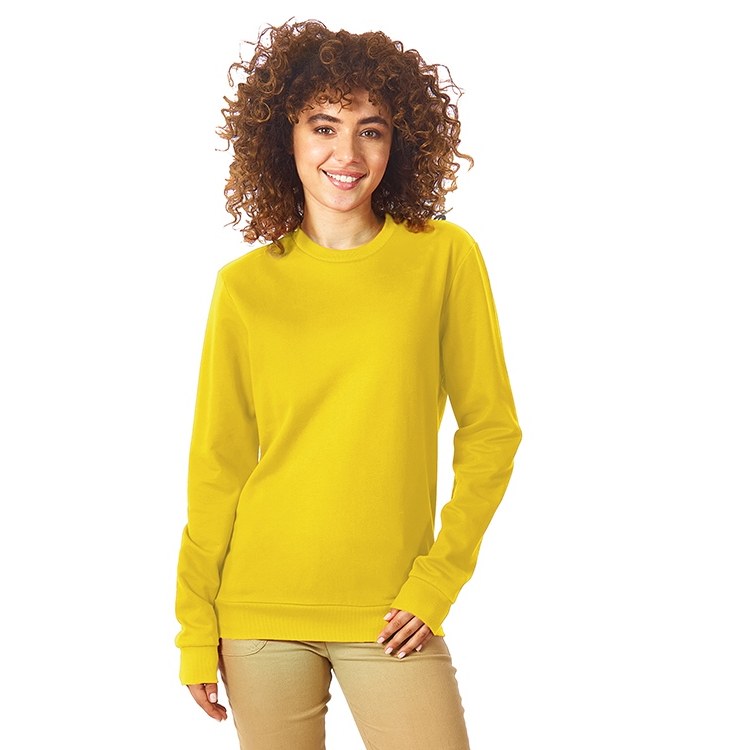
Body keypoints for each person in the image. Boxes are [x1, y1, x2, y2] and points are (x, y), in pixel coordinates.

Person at [175, 19, 522, 749]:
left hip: (392, 612)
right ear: (286, 137)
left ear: (400, 143)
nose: (348, 154)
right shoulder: (244, 287)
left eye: (372, 130)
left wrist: (437, 582)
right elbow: (218, 466)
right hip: (260, 613)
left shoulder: (444, 259)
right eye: (324, 127)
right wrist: (194, 627)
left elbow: (492, 431)